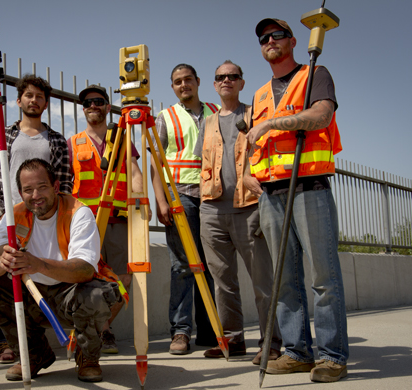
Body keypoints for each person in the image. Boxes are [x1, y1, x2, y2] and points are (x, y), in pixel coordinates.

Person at [245, 18, 348, 382]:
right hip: (271, 194)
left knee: (323, 277)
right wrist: (246, 173)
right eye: (263, 38)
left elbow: (321, 116)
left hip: (309, 187)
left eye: (277, 35)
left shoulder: (315, 74)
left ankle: (332, 356)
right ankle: (296, 351)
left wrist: (273, 125)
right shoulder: (258, 95)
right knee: (284, 280)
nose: (269, 41)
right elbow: (250, 142)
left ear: (292, 41)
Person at [0, 159, 121, 383]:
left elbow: (84, 270)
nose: (35, 195)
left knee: (96, 295)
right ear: (21, 193)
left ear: (55, 186)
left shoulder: (78, 213)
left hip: (70, 295)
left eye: (42, 186)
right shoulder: (13, 217)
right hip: (32, 297)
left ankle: (88, 356)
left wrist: (38, 264)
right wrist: (0, 262)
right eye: (28, 190)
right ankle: (35, 355)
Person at [193, 60, 282, 363]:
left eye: (233, 76)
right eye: (221, 77)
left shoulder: (255, 115)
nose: (227, 80)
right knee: (223, 282)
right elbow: (200, 164)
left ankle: (271, 341)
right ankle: (231, 340)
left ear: (242, 83)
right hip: (212, 211)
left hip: (250, 209)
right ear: (214, 84)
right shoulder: (207, 122)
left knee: (262, 280)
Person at [0, 74, 72, 363]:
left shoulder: (56, 140)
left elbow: (64, 182)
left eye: (39, 96)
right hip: (12, 221)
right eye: (29, 95)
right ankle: (7, 342)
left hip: (44, 220)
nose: (33, 100)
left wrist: (55, 215)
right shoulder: (6, 134)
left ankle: (39, 341)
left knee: (40, 275)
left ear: (46, 103)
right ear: (19, 99)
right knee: (3, 278)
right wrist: (1, 214)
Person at [67, 84, 144, 354]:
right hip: (86, 223)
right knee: (88, 279)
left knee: (123, 279)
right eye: (87, 103)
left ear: (107, 107)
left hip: (119, 220)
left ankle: (102, 328)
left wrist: (139, 203)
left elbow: (135, 173)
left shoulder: (121, 138)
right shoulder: (73, 143)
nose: (92, 106)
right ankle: (101, 333)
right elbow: (66, 186)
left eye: (98, 101)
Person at [150, 64, 219, 354]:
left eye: (187, 80)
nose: (183, 85)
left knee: (212, 264)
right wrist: (161, 200)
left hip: (213, 195)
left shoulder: (216, 111)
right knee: (182, 266)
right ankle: (180, 332)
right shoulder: (165, 117)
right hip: (180, 194)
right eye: (177, 82)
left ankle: (211, 330)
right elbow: (155, 160)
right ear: (173, 87)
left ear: (198, 81)